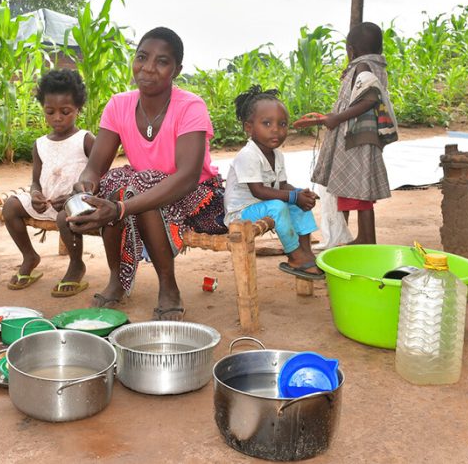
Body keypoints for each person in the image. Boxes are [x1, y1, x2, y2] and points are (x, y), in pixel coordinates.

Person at [59, 27, 225, 321]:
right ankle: (117, 279)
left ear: (177, 69)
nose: (148, 68)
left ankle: (168, 286)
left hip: (194, 193)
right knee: (116, 185)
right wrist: (85, 187)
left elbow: (186, 176)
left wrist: (120, 208)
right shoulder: (119, 105)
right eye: (142, 57)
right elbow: (96, 167)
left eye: (162, 61)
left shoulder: (191, 107)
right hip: (141, 186)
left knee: (134, 193)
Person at [302, 22, 397, 244]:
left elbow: (370, 98)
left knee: (354, 188)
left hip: (354, 139)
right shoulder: (375, 66)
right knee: (354, 186)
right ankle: (350, 237)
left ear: (350, 50)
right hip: (361, 137)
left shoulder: (362, 67)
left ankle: (364, 239)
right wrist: (331, 115)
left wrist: (336, 118)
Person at [2, 69, 94, 296]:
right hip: (46, 203)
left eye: (65, 112)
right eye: (50, 112)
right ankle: (29, 256)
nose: (57, 118)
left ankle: (76, 265)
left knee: (66, 216)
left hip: (75, 205)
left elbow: (98, 177)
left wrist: (78, 195)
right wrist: (35, 194)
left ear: (78, 109)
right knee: (10, 206)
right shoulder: (40, 144)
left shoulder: (85, 139)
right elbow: (35, 181)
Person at [224, 85, 324, 280]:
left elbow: (282, 186)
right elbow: (258, 191)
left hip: (263, 205)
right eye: (267, 123)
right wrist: (293, 196)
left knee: (299, 204)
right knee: (280, 205)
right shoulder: (248, 155)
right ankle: (294, 255)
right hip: (241, 213)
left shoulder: (277, 154)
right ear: (249, 127)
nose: (276, 130)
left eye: (283, 124)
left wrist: (299, 193)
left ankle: (305, 251)